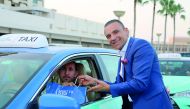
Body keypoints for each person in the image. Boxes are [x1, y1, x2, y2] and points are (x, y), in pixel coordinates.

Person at [79, 19, 173, 109]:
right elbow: (119, 85)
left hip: (151, 105)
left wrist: (109, 88)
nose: (112, 38)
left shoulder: (141, 46)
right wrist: (94, 81)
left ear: (126, 31)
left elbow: (140, 83)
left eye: (116, 32)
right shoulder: (123, 53)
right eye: (108, 36)